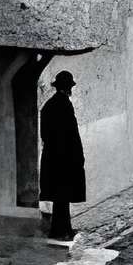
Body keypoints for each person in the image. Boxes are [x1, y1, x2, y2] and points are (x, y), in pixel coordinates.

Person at [38, 68, 87, 241]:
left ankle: (63, 228)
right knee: (63, 195)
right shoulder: (65, 104)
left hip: (52, 156)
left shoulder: (48, 105)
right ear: (67, 87)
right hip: (64, 157)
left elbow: (44, 134)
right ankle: (61, 230)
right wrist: (78, 156)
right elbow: (72, 133)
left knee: (60, 196)